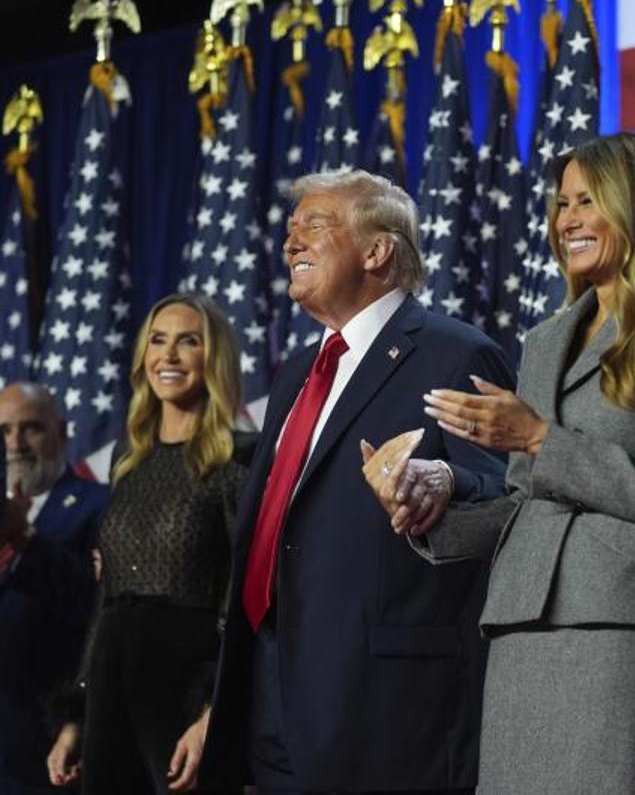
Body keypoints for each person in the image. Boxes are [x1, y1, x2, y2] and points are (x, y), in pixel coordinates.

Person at [361, 132, 635, 794]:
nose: (568, 221)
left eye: (588, 201)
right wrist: (430, 513)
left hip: (620, 623)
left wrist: (539, 438)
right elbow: (526, 501)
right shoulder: (546, 338)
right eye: (561, 204)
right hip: (521, 624)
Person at [199, 169, 512, 795]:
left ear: (377, 251)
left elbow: (506, 493)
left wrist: (443, 479)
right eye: (290, 231)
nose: (291, 244)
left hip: (382, 700)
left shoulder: (453, 353)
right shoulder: (298, 369)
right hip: (269, 674)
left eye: (313, 227)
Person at [43, 293, 253, 794]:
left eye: (189, 342)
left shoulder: (240, 458)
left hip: (183, 690)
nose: (170, 356)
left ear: (214, 357)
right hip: (112, 678)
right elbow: (108, 597)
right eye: (158, 341)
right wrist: (77, 717)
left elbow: (242, 596)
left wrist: (211, 713)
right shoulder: (127, 459)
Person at [0, 383, 107, 795]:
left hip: (50, 745)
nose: (15, 444)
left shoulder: (99, 504)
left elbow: (95, 606)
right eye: (4, 431)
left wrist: (22, 536)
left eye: (31, 429)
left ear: (61, 432)